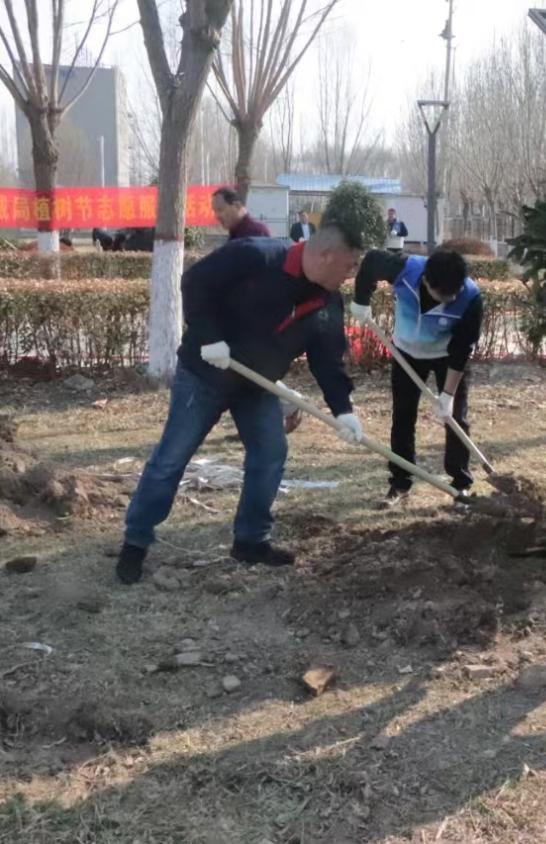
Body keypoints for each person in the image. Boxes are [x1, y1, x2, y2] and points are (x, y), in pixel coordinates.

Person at [115, 223, 365, 585]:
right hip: (205, 374)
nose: (351, 273)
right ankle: (135, 542)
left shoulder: (327, 302)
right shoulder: (256, 255)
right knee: (172, 457)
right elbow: (196, 283)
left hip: (256, 386)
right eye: (349, 264)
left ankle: (251, 540)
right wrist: (209, 337)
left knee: (270, 454)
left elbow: (327, 361)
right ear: (327, 255)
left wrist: (344, 410)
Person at [349, 248, 482, 504]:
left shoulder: (471, 297)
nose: (449, 300)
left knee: (456, 417)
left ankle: (461, 483)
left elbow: (462, 349)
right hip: (407, 352)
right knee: (403, 415)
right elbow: (371, 261)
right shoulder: (405, 269)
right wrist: (361, 300)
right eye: (442, 295)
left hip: (446, 355)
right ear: (426, 281)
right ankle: (400, 482)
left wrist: (448, 395)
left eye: (453, 295)